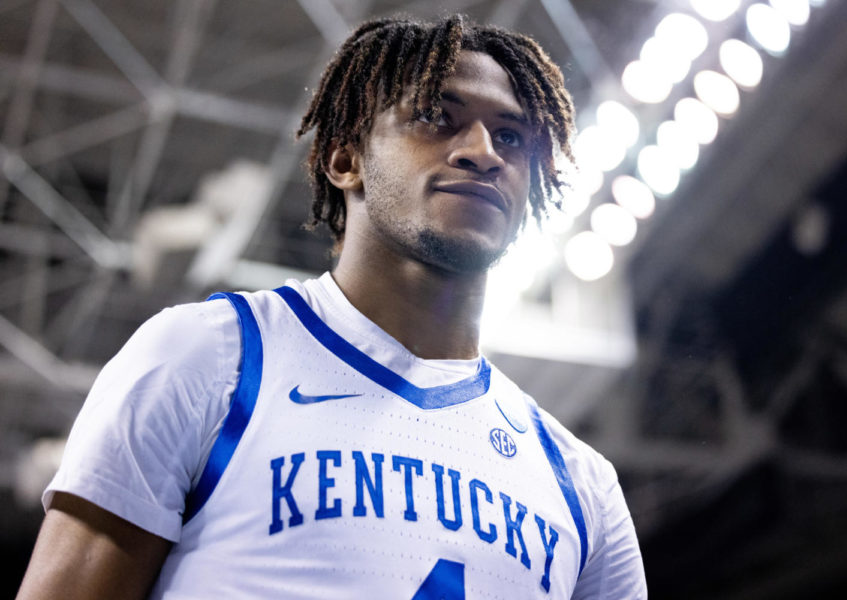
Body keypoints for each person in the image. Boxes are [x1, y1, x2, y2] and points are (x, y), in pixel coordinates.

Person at [17, 15, 646, 599]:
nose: (483, 150)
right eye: (435, 116)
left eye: (511, 135)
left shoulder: (582, 485)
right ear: (345, 159)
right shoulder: (208, 356)